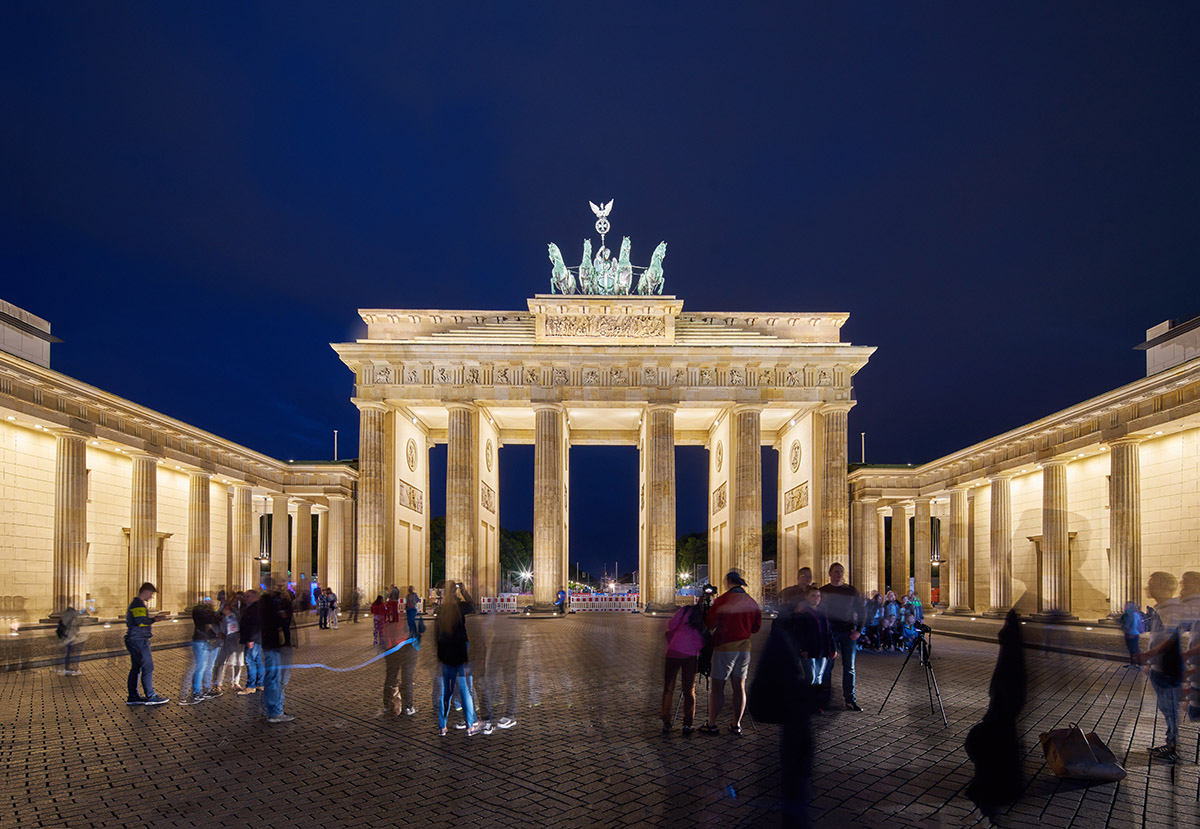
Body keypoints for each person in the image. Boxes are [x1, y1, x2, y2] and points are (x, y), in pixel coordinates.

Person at [700, 571, 762, 736]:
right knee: (739, 687)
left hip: (725, 647)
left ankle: (711, 723)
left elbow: (710, 623)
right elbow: (756, 628)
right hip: (744, 648)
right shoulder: (751, 601)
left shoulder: (722, 600)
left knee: (718, 687)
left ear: (728, 581)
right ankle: (736, 724)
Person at [1136, 572, 1183, 761]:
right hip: (1159, 668)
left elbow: (1170, 639)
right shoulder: (1160, 609)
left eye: (1152, 583)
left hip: (1168, 670)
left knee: (1170, 708)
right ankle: (1170, 743)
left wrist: (1149, 655)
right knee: (1166, 708)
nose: (1147, 587)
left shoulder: (1171, 610)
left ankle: (1173, 748)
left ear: (1163, 587)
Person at [661, 584, 712, 734]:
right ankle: (687, 724)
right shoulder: (705, 619)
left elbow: (671, 626)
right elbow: (705, 641)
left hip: (674, 652)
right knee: (689, 690)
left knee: (668, 688)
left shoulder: (685, 611)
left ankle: (666, 722)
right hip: (691, 657)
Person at [435, 581, 480, 736]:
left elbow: (437, 635)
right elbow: (473, 605)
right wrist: (464, 591)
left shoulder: (440, 610)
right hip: (460, 649)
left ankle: (442, 727)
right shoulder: (460, 607)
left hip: (445, 650)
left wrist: (439, 654)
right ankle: (470, 725)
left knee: (445, 691)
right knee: (465, 689)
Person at [819, 562, 865, 711]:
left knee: (849, 667)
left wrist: (859, 630)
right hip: (829, 633)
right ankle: (824, 699)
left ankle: (850, 699)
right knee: (827, 667)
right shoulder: (823, 591)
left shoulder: (851, 590)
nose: (839, 574)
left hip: (848, 633)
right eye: (836, 571)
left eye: (841, 571)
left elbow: (862, 611)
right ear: (830, 573)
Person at [124, 582, 170, 706]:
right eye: (151, 594)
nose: (151, 597)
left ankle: (133, 697)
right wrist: (156, 619)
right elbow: (141, 622)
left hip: (134, 639)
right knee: (148, 667)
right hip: (139, 640)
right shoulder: (138, 604)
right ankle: (151, 696)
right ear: (145, 591)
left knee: (136, 668)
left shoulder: (137, 604)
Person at [260, 581, 295, 723]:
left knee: (272, 678)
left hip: (271, 644)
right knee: (278, 679)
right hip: (276, 645)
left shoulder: (266, 603)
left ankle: (266, 708)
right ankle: (275, 712)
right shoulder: (274, 605)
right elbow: (283, 623)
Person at [180, 600, 220, 705]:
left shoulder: (202, 613)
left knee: (207, 666)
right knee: (202, 667)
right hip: (203, 641)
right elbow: (209, 625)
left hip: (208, 641)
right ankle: (197, 692)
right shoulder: (204, 614)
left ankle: (206, 689)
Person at [237, 590, 263, 696]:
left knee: (249, 661)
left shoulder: (254, 609)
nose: (246, 598)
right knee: (257, 661)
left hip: (253, 639)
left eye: (248, 596)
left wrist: (250, 639)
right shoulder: (257, 607)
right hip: (258, 638)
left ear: (254, 597)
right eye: (245, 596)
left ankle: (251, 686)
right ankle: (260, 684)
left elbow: (254, 625)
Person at [216, 601, 244, 690]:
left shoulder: (236, 615)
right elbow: (214, 625)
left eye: (228, 607)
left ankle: (236, 682)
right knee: (222, 662)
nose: (227, 609)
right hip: (225, 640)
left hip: (236, 639)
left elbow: (241, 622)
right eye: (225, 607)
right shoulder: (219, 617)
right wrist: (218, 633)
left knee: (238, 662)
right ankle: (218, 683)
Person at [56, 603, 83, 675]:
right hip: (70, 637)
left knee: (67, 653)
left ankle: (66, 667)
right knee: (73, 653)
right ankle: (73, 668)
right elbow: (75, 628)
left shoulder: (65, 615)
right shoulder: (72, 615)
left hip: (66, 637)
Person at [1120, 600, 1144, 667]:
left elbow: (1133, 624)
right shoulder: (1131, 614)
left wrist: (1129, 631)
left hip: (1132, 634)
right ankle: (1134, 663)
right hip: (1130, 633)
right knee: (1132, 650)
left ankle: (1139, 664)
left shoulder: (1133, 614)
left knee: (1134, 650)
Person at [405, 585, 421, 649]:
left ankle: (413, 633)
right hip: (409, 609)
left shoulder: (414, 595)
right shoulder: (408, 595)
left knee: (412, 621)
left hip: (412, 609)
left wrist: (413, 602)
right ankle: (412, 633)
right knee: (410, 622)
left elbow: (417, 600)